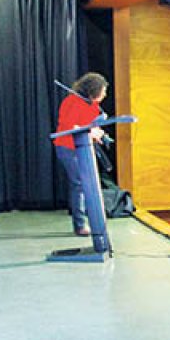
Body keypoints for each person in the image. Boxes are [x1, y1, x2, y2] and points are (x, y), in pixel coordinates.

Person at [53, 72, 108, 236]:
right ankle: (80, 225)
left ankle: (92, 221)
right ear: (94, 90)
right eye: (103, 91)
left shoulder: (93, 105)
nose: (105, 95)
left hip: (83, 148)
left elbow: (89, 124)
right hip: (67, 147)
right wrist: (90, 132)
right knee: (79, 184)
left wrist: (98, 132)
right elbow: (68, 126)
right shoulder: (71, 101)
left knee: (85, 184)